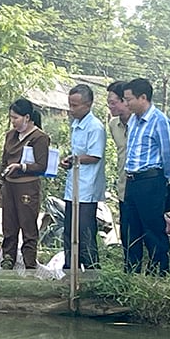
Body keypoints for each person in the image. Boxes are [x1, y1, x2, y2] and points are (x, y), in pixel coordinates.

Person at [121, 78, 170, 276]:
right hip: (132, 179)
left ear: (143, 97)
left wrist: (163, 180)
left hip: (151, 180)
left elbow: (169, 154)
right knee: (130, 228)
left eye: (129, 99)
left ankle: (160, 272)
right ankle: (132, 271)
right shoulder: (134, 120)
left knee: (153, 228)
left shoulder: (159, 120)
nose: (126, 104)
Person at [0, 98, 50, 270]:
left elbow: (42, 165)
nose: (13, 122)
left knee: (28, 225)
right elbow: (4, 162)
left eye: (16, 118)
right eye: (11, 118)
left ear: (26, 117)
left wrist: (21, 166)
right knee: (9, 224)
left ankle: (29, 262)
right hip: (9, 185)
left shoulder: (39, 138)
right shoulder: (10, 136)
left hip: (27, 186)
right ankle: (8, 258)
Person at [60, 85, 106, 269]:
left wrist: (74, 159)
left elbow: (94, 155)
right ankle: (70, 269)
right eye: (70, 105)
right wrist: (70, 161)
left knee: (85, 233)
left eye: (75, 106)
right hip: (74, 186)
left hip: (87, 188)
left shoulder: (95, 127)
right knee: (70, 232)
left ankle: (91, 271)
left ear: (88, 105)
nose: (71, 110)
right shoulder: (76, 124)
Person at [106, 81, 130, 246]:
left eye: (113, 103)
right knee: (127, 230)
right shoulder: (113, 125)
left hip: (145, 184)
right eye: (108, 103)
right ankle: (130, 267)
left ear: (125, 101)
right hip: (123, 185)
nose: (110, 107)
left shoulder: (141, 122)